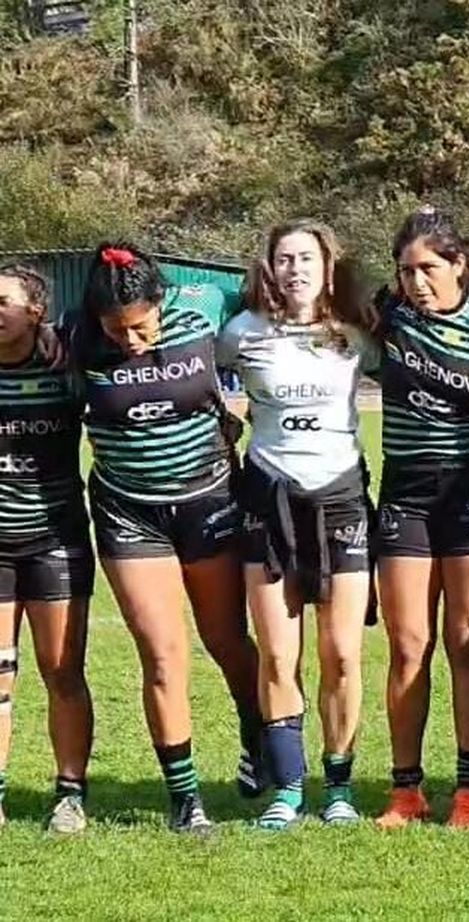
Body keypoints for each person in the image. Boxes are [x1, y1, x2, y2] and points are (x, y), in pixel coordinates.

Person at [67, 243, 264, 834]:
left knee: (228, 640)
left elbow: (270, 294)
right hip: (131, 514)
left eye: (141, 326)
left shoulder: (203, 305)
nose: (130, 340)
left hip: (208, 500)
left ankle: (257, 738)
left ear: (162, 302)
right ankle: (186, 798)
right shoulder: (75, 338)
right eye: (117, 331)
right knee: (162, 654)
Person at [218, 220, 379, 828]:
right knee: (279, 657)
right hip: (268, 501)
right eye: (284, 259)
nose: (295, 270)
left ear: (327, 266)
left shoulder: (357, 338)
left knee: (341, 655)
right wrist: (222, 428)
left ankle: (338, 784)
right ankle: (289, 785)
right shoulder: (241, 334)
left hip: (341, 501)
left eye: (306, 258)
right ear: (269, 268)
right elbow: (195, 378)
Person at [372, 209, 469, 830]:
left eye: (429, 268)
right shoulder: (386, 317)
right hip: (406, 489)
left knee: (465, 640)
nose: (417, 282)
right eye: (406, 271)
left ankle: (468, 792)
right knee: (407, 646)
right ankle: (406, 791)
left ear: (460, 266)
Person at [0, 263, 94, 833]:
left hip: (56, 539)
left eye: (4, 302)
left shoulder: (66, 364)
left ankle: (70, 795)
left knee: (62, 672)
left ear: (36, 311)